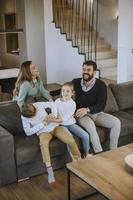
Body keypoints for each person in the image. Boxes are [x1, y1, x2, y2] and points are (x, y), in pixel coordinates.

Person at [21, 101, 81, 184]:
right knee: (43, 144)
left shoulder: (38, 105)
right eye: (33, 116)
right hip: (43, 132)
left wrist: (53, 115)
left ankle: (79, 160)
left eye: (35, 113)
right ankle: (50, 170)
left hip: (54, 126)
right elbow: (28, 132)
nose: (35, 115)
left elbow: (53, 104)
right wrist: (43, 123)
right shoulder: (24, 118)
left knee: (70, 140)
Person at [72, 60, 121, 153]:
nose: (85, 72)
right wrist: (44, 93)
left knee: (116, 122)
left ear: (94, 72)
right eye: (84, 69)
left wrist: (87, 109)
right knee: (90, 125)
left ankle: (114, 151)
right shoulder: (76, 82)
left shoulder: (101, 85)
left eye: (88, 70)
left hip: (96, 114)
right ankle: (99, 153)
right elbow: (63, 90)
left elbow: (101, 105)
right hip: (81, 115)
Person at [55, 83, 92, 157]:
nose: (65, 93)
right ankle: (74, 158)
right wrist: (57, 118)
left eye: (68, 91)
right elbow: (55, 113)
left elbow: (67, 117)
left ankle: (86, 153)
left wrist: (59, 118)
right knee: (69, 139)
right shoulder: (57, 101)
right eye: (63, 91)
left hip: (71, 124)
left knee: (85, 135)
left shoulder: (72, 104)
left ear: (72, 93)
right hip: (61, 125)